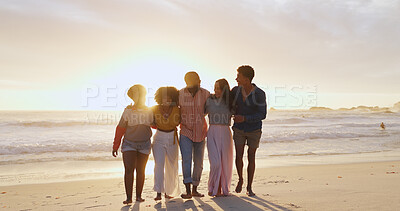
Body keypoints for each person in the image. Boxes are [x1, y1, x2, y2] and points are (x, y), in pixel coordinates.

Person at [112, 84, 153, 204]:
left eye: (141, 94)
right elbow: (120, 128)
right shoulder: (128, 111)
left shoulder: (150, 110)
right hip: (129, 144)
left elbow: (156, 125)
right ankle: (129, 197)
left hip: (144, 144)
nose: (139, 97)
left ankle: (139, 196)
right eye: (136, 95)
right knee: (129, 169)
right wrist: (115, 145)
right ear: (132, 97)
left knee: (141, 170)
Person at [231, 65, 267, 197]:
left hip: (254, 130)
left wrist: (245, 118)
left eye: (239, 76)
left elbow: (262, 114)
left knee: (251, 156)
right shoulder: (235, 91)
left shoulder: (259, 94)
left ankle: (249, 187)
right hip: (239, 129)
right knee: (239, 155)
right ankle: (240, 179)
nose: (236, 79)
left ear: (246, 79)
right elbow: (226, 102)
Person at [178, 71, 210, 199]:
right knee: (186, 160)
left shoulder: (206, 94)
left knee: (199, 162)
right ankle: (187, 190)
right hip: (185, 131)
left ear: (199, 81)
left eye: (197, 80)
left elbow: (209, 109)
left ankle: (195, 189)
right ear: (186, 82)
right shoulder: (180, 94)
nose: (196, 83)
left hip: (201, 132)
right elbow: (175, 110)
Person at [151, 87, 181, 200]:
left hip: (172, 138)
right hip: (159, 138)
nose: (167, 99)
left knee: (172, 166)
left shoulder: (177, 109)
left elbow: (182, 121)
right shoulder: (154, 109)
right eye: (164, 97)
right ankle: (158, 192)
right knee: (159, 165)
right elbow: (145, 118)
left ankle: (169, 192)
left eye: (169, 97)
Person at [205, 79, 234, 197]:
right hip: (212, 131)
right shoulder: (209, 100)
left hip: (226, 132)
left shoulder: (231, 102)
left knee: (225, 162)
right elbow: (200, 113)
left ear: (224, 90)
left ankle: (220, 189)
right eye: (215, 88)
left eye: (219, 88)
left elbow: (238, 113)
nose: (216, 90)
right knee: (215, 162)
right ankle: (212, 186)